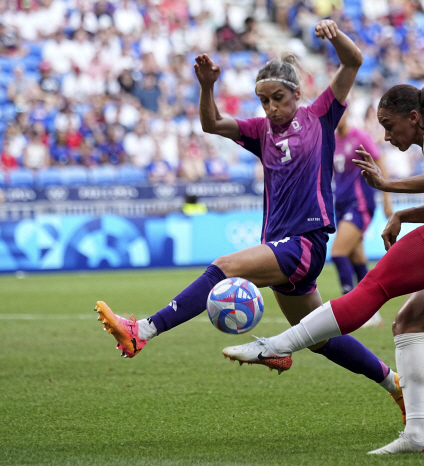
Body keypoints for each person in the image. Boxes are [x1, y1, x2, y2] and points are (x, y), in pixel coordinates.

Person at [94, 19, 404, 418]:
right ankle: (392, 381)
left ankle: (144, 331)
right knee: (319, 338)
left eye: (278, 98)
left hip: (304, 242)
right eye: (264, 102)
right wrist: (207, 86)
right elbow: (211, 123)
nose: (272, 108)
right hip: (280, 244)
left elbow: (353, 60)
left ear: (296, 93)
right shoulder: (260, 132)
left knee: (223, 267)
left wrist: (334, 34)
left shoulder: (320, 116)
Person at [221, 84, 424, 454]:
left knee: (372, 288)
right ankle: (418, 434)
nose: (386, 134)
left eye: (389, 124)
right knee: (409, 323)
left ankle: (274, 346)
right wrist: (405, 214)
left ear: (414, 117)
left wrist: (387, 184)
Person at [331, 111, 393, 327]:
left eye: (339, 112)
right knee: (357, 258)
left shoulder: (359, 137)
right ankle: (371, 312)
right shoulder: (332, 141)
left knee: (338, 253)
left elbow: (380, 164)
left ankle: (348, 308)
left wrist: (387, 199)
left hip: (359, 204)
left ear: (347, 113)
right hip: (341, 205)